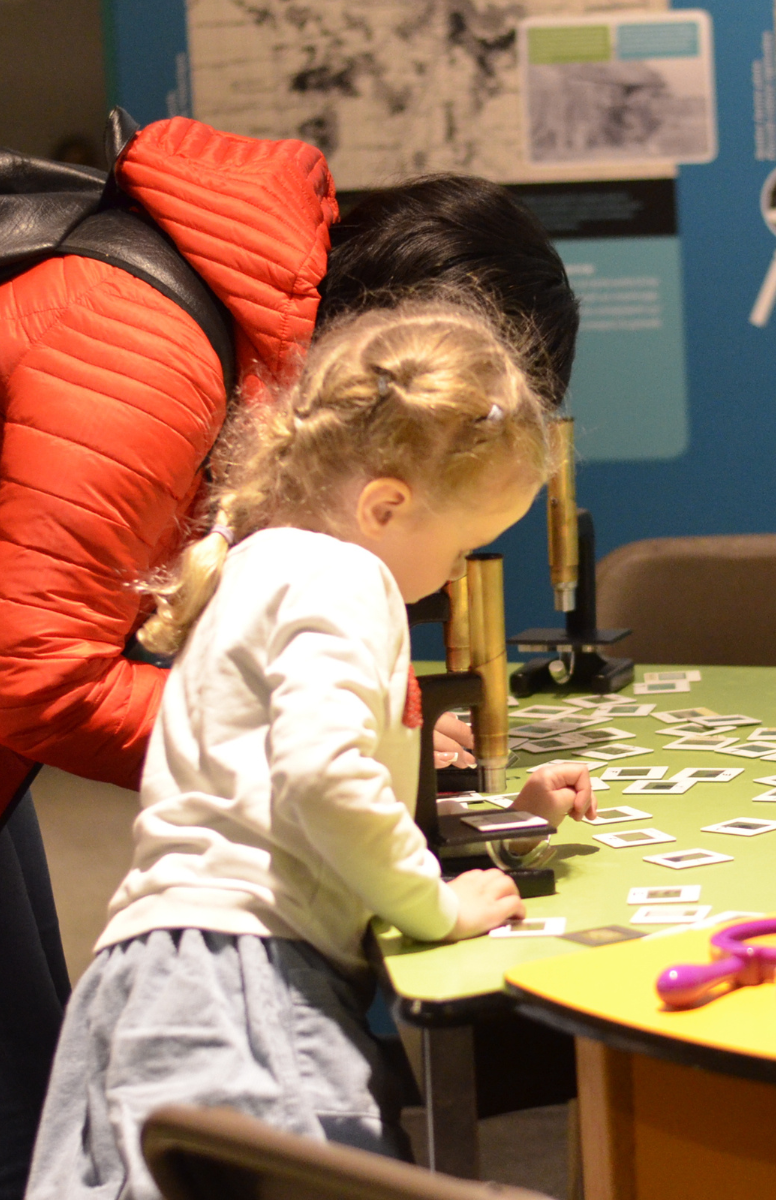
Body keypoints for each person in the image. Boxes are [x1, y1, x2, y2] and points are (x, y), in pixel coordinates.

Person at [0, 115, 579, 1193]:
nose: (454, 580)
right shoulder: (152, 348)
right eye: (460, 547)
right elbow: (39, 674)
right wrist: (429, 891)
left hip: (149, 957)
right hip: (234, 973)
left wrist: (382, 731)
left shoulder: (270, 543)